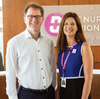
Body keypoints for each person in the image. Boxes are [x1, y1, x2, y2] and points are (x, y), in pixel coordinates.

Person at [6, 3, 56, 99]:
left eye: (37, 16)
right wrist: (12, 97)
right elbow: (10, 74)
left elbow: (52, 68)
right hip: (27, 95)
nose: (34, 20)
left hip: (48, 94)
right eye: (30, 16)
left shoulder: (49, 42)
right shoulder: (14, 43)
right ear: (25, 19)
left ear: (42, 19)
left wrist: (53, 88)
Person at [56, 12, 93, 99]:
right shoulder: (61, 49)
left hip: (78, 91)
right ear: (62, 27)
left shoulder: (84, 47)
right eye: (66, 24)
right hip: (64, 92)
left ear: (77, 27)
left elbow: (89, 78)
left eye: (72, 24)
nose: (69, 27)